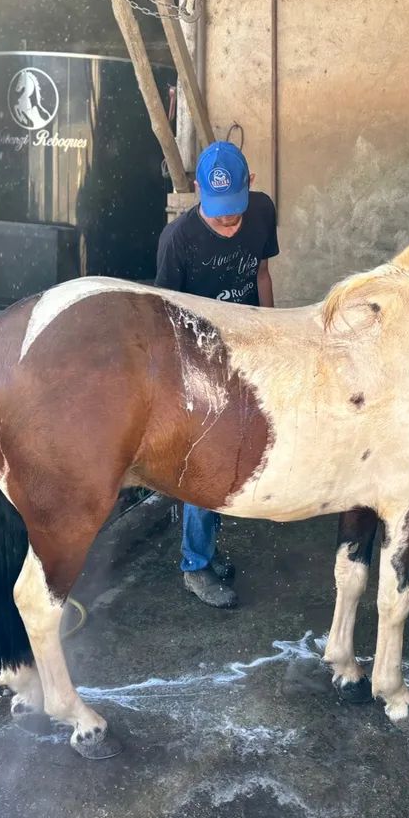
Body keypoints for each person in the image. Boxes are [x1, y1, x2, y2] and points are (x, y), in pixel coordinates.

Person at [153, 141, 279, 609]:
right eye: (218, 215)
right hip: (200, 354)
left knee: (237, 451)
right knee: (208, 458)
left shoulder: (262, 212)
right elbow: (166, 318)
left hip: (249, 343)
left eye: (235, 214)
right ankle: (196, 564)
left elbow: (261, 272)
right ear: (199, 194)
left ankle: (206, 546)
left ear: (249, 187)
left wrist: (272, 330)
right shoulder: (177, 241)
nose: (229, 225)